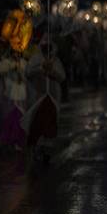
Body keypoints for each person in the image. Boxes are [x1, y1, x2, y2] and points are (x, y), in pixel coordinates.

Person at [22, 35, 66, 164]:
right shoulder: (36, 59)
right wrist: (41, 68)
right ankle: (36, 147)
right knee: (38, 123)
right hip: (38, 96)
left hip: (52, 97)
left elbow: (62, 77)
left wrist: (51, 70)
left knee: (50, 124)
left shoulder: (55, 60)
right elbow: (28, 73)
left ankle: (46, 149)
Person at [0, 49, 28, 150]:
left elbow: (28, 76)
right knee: (9, 118)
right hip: (9, 95)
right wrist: (11, 67)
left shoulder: (23, 62)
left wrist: (20, 71)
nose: (16, 54)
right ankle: (8, 141)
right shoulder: (6, 62)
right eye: (14, 52)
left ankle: (17, 141)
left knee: (19, 119)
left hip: (21, 95)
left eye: (18, 53)